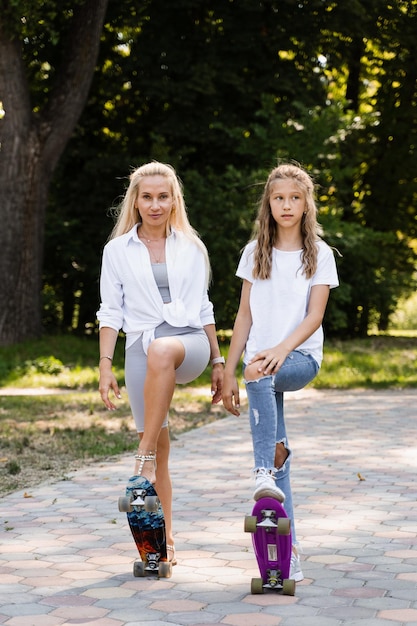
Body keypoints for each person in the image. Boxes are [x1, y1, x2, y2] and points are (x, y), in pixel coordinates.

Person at [97, 161, 224, 566]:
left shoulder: (192, 247)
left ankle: (142, 456)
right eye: (147, 197)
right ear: (134, 201)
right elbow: (110, 312)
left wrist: (219, 360)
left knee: (162, 350)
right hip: (140, 346)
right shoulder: (116, 251)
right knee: (164, 449)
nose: (155, 204)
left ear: (174, 200)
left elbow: (203, 306)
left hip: (188, 343)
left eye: (163, 197)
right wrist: (105, 365)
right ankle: (162, 545)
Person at [222, 162, 339, 581]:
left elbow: (314, 317)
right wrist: (229, 370)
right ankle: (289, 554)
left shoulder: (320, 254)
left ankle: (261, 473)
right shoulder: (255, 253)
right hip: (259, 366)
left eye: (294, 197)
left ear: (306, 203)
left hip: (300, 358)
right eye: (278, 198)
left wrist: (277, 351)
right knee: (278, 449)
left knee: (260, 374)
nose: (286, 205)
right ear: (268, 204)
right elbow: (243, 316)